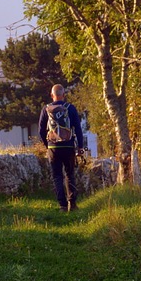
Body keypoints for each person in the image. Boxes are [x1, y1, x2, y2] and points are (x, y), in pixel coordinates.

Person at [38, 83, 87, 212]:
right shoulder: (70, 108)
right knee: (70, 174)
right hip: (68, 146)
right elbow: (78, 128)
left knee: (57, 176)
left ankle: (62, 205)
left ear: (52, 95)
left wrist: (47, 144)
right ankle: (72, 203)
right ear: (63, 95)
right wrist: (80, 147)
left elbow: (41, 130)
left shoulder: (46, 109)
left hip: (53, 147)